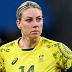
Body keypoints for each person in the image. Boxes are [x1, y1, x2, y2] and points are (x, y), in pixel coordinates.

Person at [0, 1, 72, 72]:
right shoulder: (4, 52)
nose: (35, 24)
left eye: (39, 19)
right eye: (29, 20)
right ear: (19, 24)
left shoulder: (58, 50)